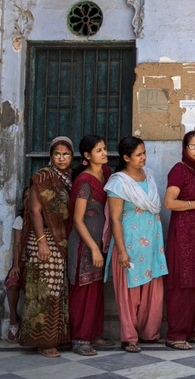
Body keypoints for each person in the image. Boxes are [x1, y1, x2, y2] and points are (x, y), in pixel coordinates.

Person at [105, 136, 168, 353]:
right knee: (129, 293)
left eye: (144, 153)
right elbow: (115, 219)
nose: (144, 158)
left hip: (151, 245)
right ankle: (129, 337)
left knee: (152, 291)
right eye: (139, 154)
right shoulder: (118, 183)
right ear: (126, 158)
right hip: (129, 246)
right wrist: (121, 251)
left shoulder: (148, 175)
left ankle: (150, 333)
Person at [19, 136, 73, 357]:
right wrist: (42, 243)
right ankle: (43, 341)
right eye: (57, 154)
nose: (61, 158)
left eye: (66, 154)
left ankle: (57, 337)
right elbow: (34, 210)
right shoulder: (42, 177)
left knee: (58, 288)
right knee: (44, 289)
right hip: (44, 239)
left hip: (61, 239)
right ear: (51, 156)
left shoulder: (69, 178)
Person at [163, 131, 195, 350]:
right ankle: (175, 333)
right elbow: (169, 202)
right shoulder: (180, 170)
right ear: (185, 148)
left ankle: (190, 330)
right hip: (184, 236)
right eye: (193, 146)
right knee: (183, 283)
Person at [67, 135, 113, 356]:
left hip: (100, 241)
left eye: (104, 149)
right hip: (84, 244)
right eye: (98, 150)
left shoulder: (105, 174)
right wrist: (93, 248)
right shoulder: (84, 182)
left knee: (96, 288)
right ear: (87, 156)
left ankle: (93, 334)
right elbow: (77, 219)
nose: (104, 153)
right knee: (83, 289)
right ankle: (79, 338)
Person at [4, 198, 27, 343]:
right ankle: (13, 319)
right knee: (12, 283)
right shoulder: (20, 220)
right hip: (22, 261)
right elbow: (17, 243)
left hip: (37, 261)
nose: (27, 201)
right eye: (24, 198)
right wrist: (17, 265)